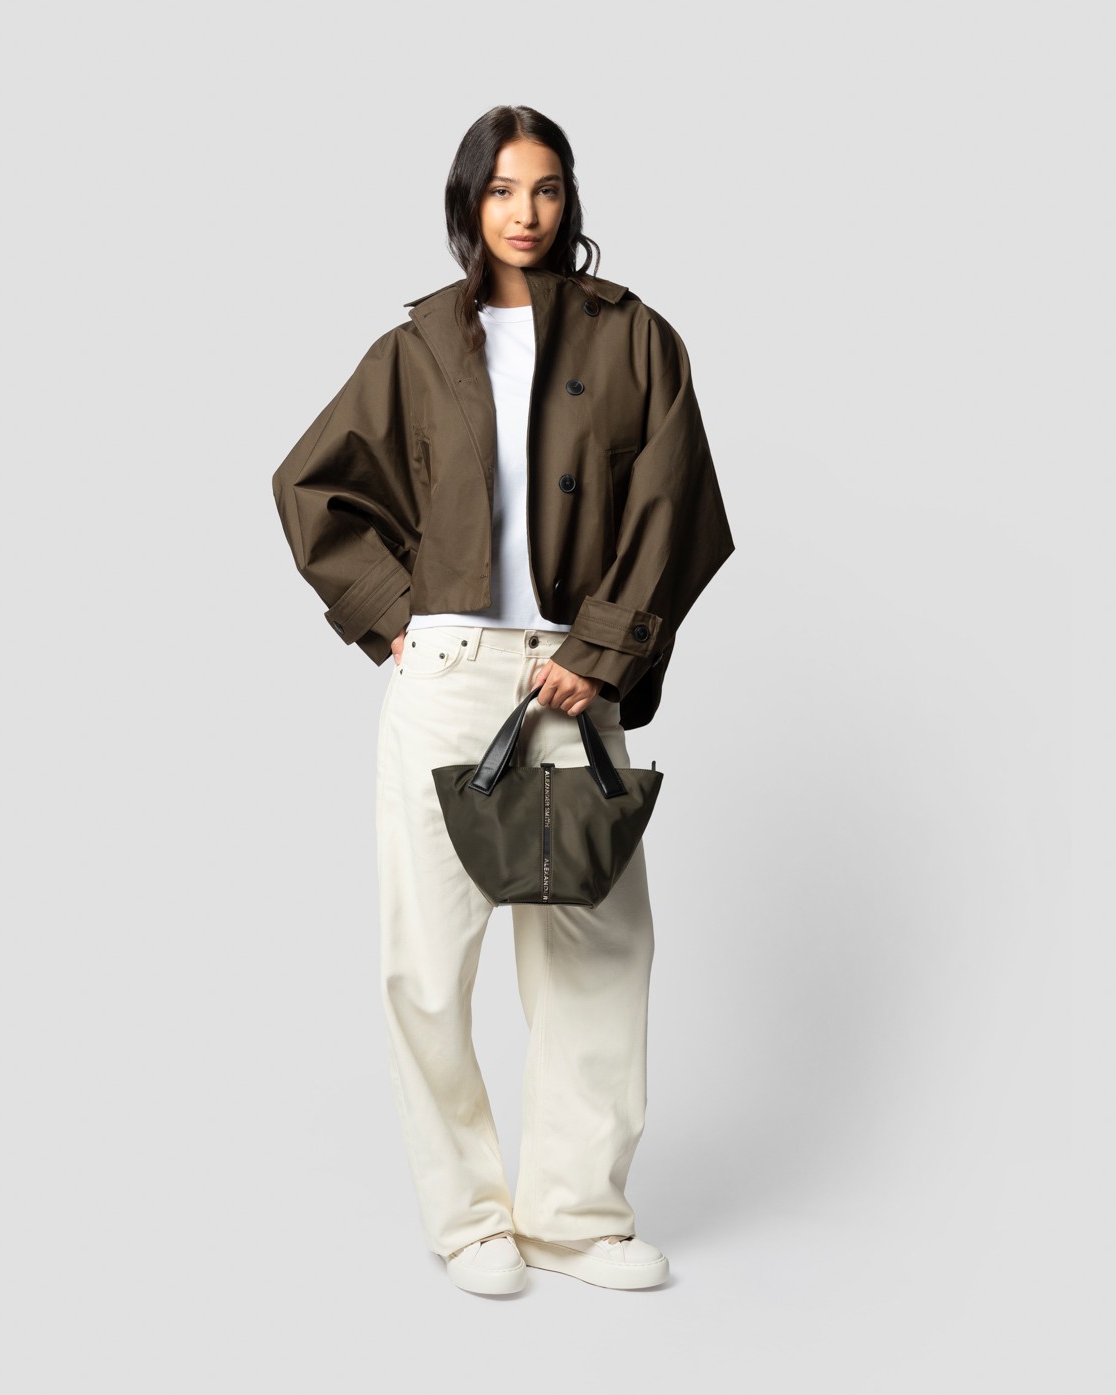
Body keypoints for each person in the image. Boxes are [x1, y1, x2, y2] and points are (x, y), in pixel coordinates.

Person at [271, 105, 734, 1295]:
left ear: (570, 199)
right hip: (450, 675)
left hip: (577, 677)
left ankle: (576, 1218)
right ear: (468, 202)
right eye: (501, 190)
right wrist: (395, 619)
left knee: (599, 950)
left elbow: (676, 505)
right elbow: (311, 486)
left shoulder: (637, 339)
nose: (525, 213)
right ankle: (470, 1219)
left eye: (546, 188)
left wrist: (603, 650)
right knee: (427, 963)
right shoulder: (420, 347)